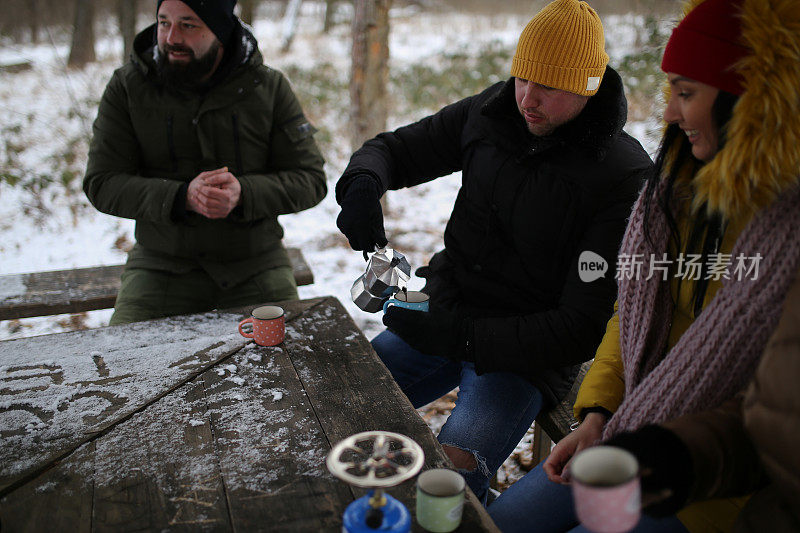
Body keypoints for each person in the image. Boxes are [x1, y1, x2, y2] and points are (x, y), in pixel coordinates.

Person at [488, 0, 800, 530]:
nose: (670, 114)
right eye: (670, 92)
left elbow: (774, 413)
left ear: (752, 101)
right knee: (504, 522)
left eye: (686, 93)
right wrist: (597, 414)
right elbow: (630, 315)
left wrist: (661, 447)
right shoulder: (678, 194)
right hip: (630, 427)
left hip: (713, 488)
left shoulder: (784, 233)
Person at [335, 0, 652, 503]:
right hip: (449, 304)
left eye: (548, 85)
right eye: (522, 76)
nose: (527, 97)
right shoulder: (492, 111)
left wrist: (462, 338)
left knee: (449, 478)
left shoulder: (622, 175)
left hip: (524, 356)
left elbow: (580, 327)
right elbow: (395, 150)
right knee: (346, 409)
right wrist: (362, 183)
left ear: (587, 87)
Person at [83, 0, 326, 325]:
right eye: (164, 22)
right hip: (161, 265)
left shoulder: (267, 87)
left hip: (255, 263)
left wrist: (245, 193)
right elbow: (102, 182)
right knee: (126, 365)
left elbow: (311, 179)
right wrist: (180, 197)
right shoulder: (129, 87)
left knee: (291, 360)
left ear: (221, 31)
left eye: (188, 24)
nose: (171, 37)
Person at [606, 272, 800, 532]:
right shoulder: (651, 234)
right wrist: (598, 410)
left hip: (717, 500)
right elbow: (772, 415)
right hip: (646, 435)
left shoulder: (772, 266)